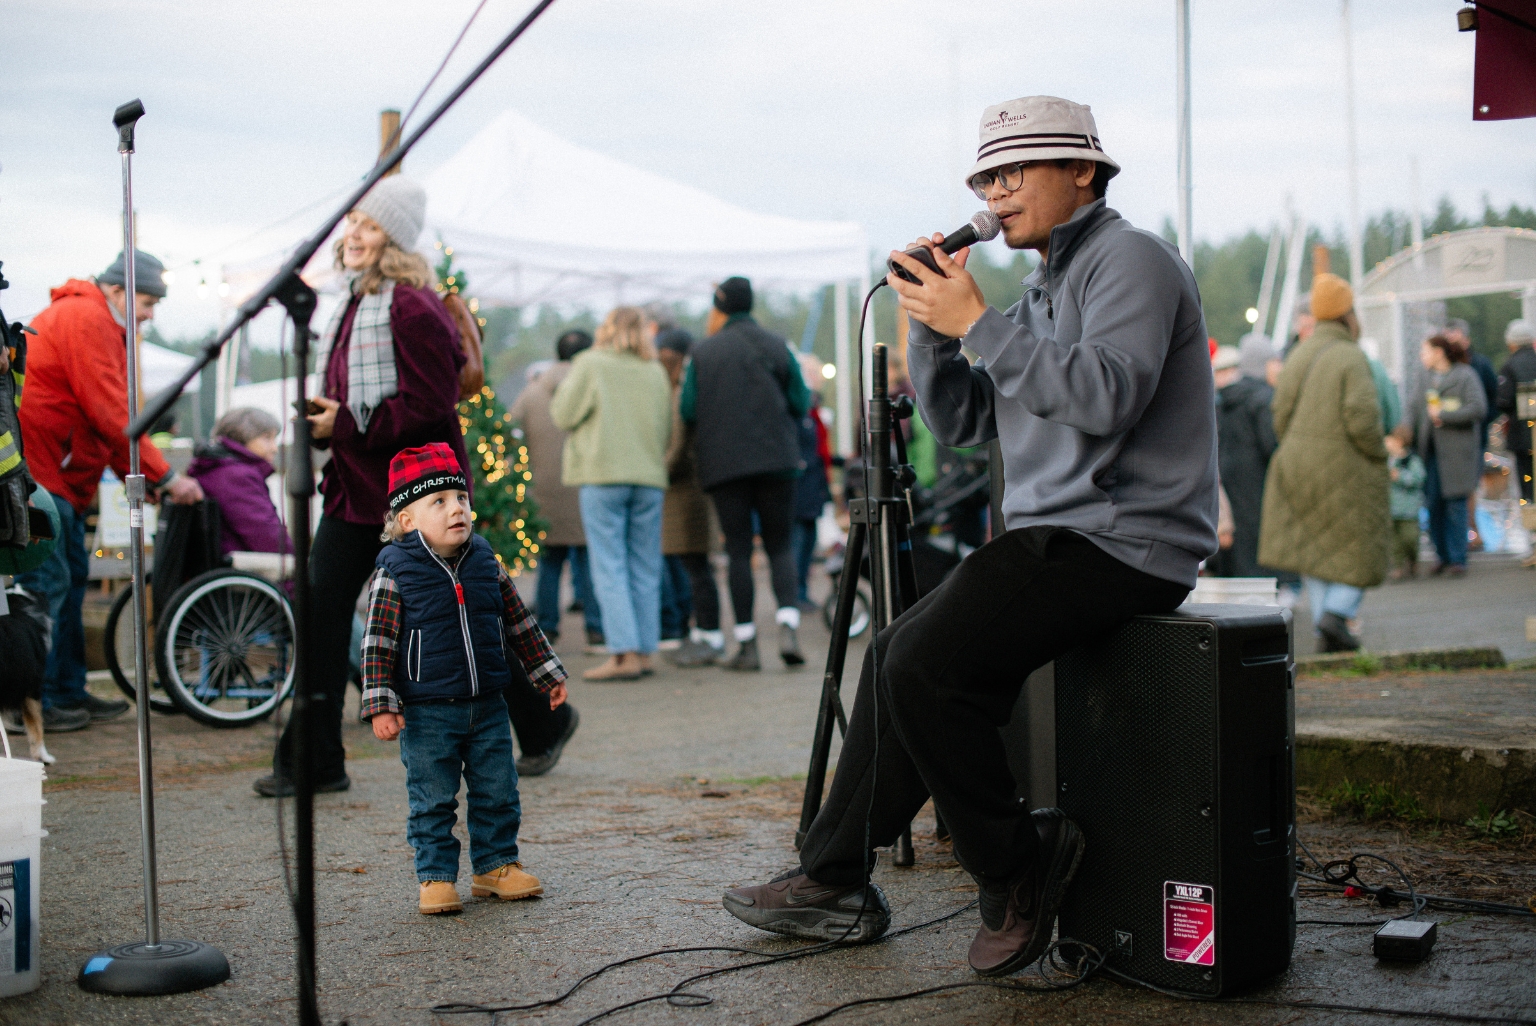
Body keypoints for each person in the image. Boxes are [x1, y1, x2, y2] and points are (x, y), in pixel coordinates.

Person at [723, 96, 1215, 977]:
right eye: (986, 175)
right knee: (898, 652)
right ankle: (835, 873)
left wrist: (978, 326)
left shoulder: (1132, 261)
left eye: (1015, 171)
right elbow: (963, 420)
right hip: (1059, 536)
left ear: (1084, 172)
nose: (996, 189)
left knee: (924, 664)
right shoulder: (1036, 290)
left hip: (1124, 538)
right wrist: (933, 333)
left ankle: (1018, 865)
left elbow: (1105, 396)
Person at [255, 176, 468, 798]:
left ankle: (545, 720)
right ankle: (316, 760)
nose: (352, 234)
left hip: (413, 495)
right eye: (350, 221)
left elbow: (431, 404)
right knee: (319, 612)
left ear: (393, 237)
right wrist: (331, 413)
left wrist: (344, 420)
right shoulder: (353, 302)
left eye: (368, 224)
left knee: (456, 616)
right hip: (357, 489)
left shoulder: (411, 306)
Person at [360, 443, 566, 914]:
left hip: (489, 704)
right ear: (407, 520)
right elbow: (378, 641)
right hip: (428, 709)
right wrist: (381, 702)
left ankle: (496, 867)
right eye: (439, 501)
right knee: (432, 796)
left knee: (498, 789)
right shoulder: (395, 570)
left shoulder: (484, 560)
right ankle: (435, 877)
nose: (457, 508)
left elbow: (519, 622)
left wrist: (546, 673)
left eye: (461, 498)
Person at [17, 249, 204, 732]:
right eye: (146, 301)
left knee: (71, 578)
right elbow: (112, 413)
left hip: (56, 475)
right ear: (118, 291)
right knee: (50, 585)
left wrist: (143, 473)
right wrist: (164, 476)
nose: (150, 313)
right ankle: (34, 702)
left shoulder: (94, 318)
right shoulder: (86, 317)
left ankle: (65, 691)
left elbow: (110, 422)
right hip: (40, 472)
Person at [680, 276, 811, 670]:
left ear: (719, 306)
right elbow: (801, 402)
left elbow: (687, 410)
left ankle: (748, 645)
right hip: (777, 459)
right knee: (780, 545)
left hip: (725, 464)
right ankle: (788, 625)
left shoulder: (703, 353)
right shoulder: (777, 345)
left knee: (738, 550)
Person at [1258, 273, 1389, 653]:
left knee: (1315, 551)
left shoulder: (1299, 354)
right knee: (1361, 544)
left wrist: (1297, 444)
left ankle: (1323, 628)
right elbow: (1362, 418)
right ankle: (1337, 612)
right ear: (1348, 313)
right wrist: (1379, 454)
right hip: (1344, 466)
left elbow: (1279, 411)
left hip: (1296, 464)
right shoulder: (1351, 356)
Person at [551, 307, 671, 681]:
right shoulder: (655, 371)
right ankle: (646, 651)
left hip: (603, 475)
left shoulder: (591, 363)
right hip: (649, 476)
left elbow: (563, 414)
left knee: (610, 565)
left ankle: (623, 654)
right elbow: (666, 426)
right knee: (645, 565)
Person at [509, 330, 602, 649]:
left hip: (544, 492)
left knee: (549, 564)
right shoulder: (595, 385)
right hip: (587, 486)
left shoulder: (534, 390)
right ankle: (596, 627)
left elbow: (511, 430)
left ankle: (548, 627)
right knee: (589, 561)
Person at [655, 328, 725, 666]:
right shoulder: (687, 382)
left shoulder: (681, 386)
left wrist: (661, 470)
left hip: (685, 488)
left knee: (695, 565)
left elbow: (680, 437)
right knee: (691, 564)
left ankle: (708, 634)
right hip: (690, 485)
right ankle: (699, 633)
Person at [1413, 333, 1486, 576]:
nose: (1422, 356)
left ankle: (1457, 559)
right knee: (1433, 506)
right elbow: (1413, 409)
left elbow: (1478, 408)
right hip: (1430, 454)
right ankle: (1441, 555)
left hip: (1456, 454)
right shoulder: (1424, 378)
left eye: (1425, 351)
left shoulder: (1465, 375)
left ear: (1439, 352)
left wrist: (1445, 416)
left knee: (1456, 506)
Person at [186, 407, 293, 557]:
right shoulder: (236, 476)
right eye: (267, 438)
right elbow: (266, 535)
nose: (275, 448)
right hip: (245, 571)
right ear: (242, 437)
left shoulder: (217, 468)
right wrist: (296, 565)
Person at [1212, 339, 1277, 578]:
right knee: (1257, 538)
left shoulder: (1220, 399)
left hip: (1228, 473)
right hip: (1257, 476)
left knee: (1236, 541)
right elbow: (1270, 445)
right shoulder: (1262, 397)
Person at [1444, 318, 1498, 550]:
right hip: (1448, 436)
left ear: (1465, 340)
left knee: (1469, 485)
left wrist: (1479, 420)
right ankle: (1464, 534)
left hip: (1474, 436)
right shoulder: (1444, 371)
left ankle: (1473, 533)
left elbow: (1494, 399)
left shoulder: (1480, 365)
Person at [791, 357, 832, 609]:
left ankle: (801, 592)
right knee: (799, 543)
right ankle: (796, 594)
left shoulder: (812, 410)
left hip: (812, 487)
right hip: (802, 488)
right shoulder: (801, 410)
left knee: (807, 542)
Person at [1496, 319, 1536, 505]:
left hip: (1522, 435)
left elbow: (1503, 401)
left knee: (1527, 481)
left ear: (1512, 342)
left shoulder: (1510, 366)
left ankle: (1531, 520)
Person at [1384, 429, 1426, 580]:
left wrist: (1400, 476)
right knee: (1394, 541)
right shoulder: (1388, 460)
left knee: (1410, 538)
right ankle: (1397, 567)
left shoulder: (1412, 460)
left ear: (1399, 442)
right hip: (1391, 509)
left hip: (1408, 509)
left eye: (1390, 440)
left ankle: (1413, 559)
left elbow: (1419, 479)